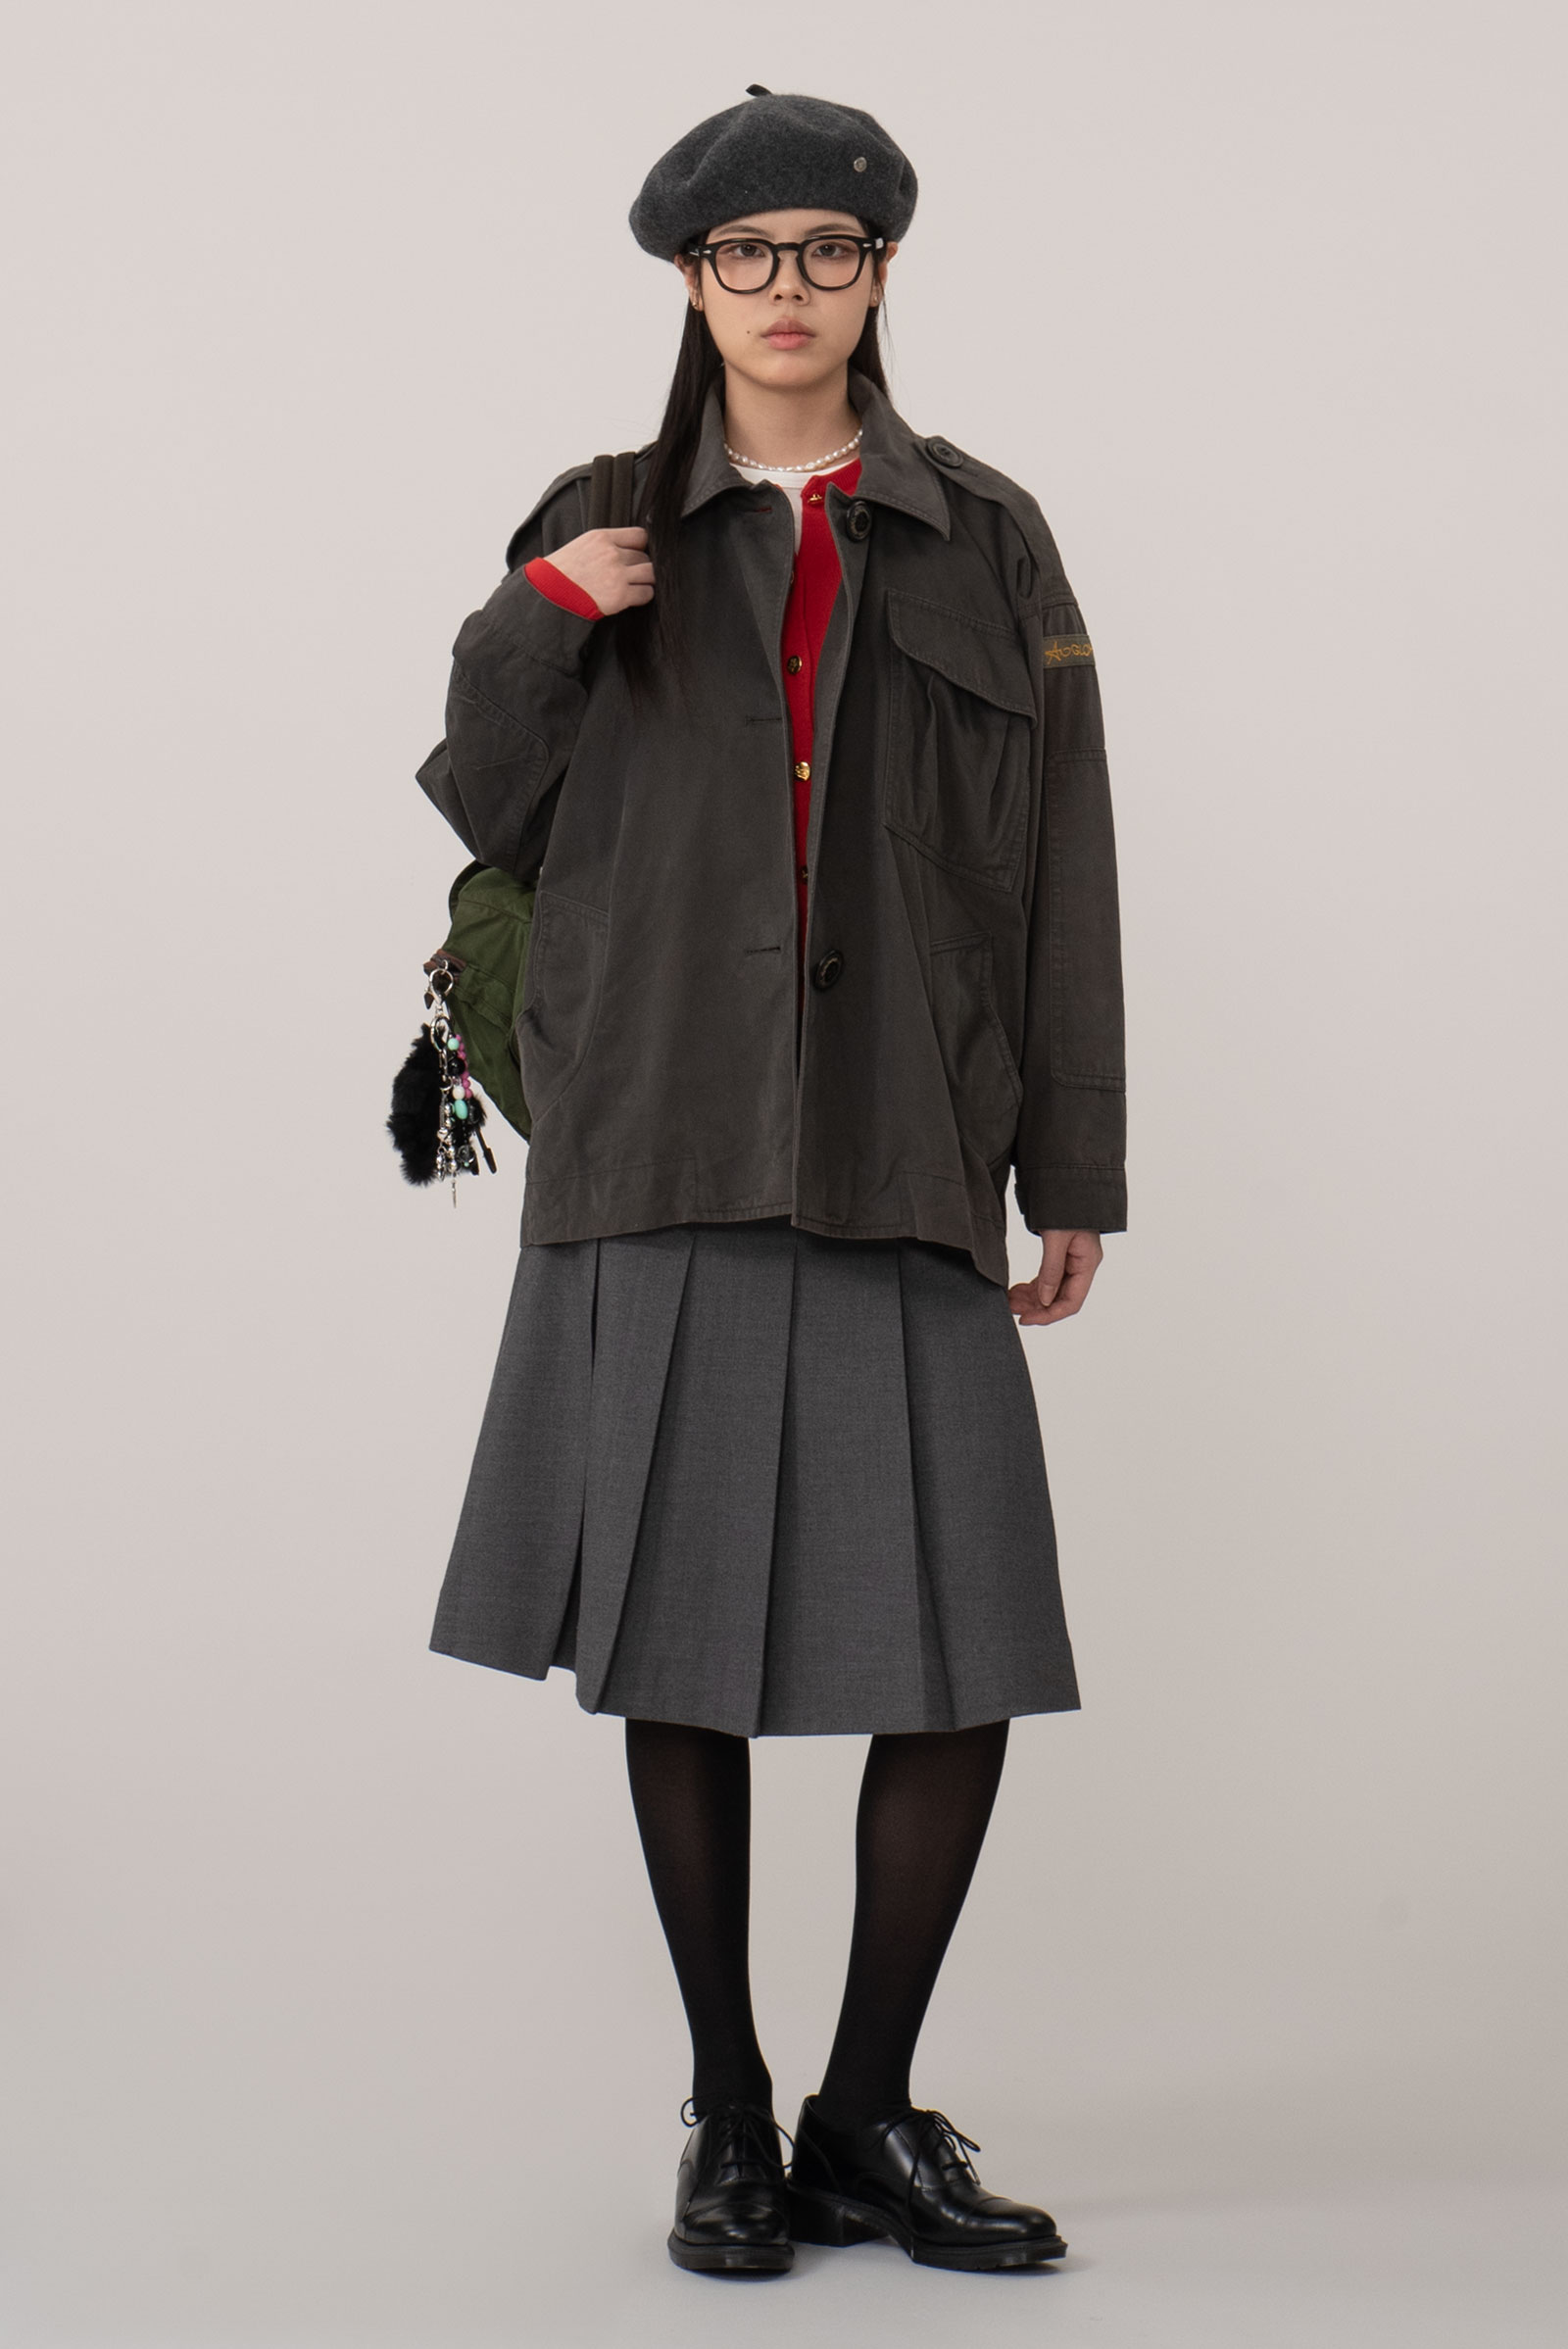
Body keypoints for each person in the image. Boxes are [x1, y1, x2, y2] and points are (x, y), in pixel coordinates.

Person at [416, 86, 1126, 2278]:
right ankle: (726, 2109)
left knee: (962, 1650)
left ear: (878, 272)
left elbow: (1062, 854)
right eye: (748, 255)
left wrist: (1074, 1153)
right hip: (662, 1136)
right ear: (692, 282)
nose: (788, 288)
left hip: (904, 1135)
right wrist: (541, 610)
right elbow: (484, 791)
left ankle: (860, 2110)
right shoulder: (600, 515)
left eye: (827, 249)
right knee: (678, 1644)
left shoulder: (986, 535)